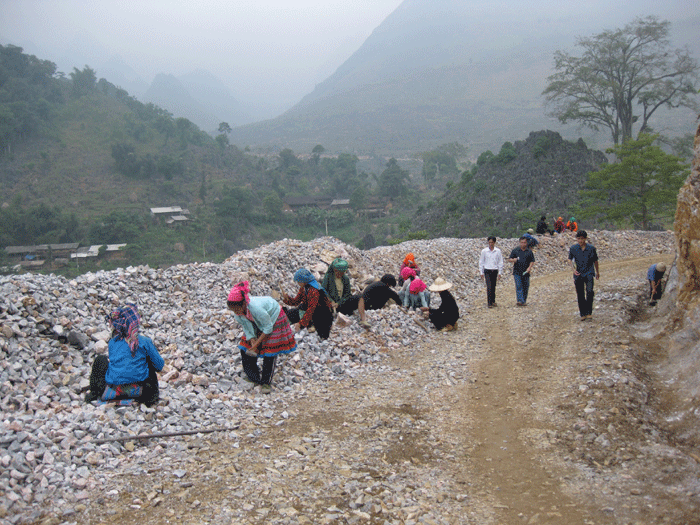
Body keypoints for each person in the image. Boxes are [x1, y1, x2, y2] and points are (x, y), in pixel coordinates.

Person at [85, 304, 164, 406]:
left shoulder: (112, 342)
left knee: (101, 359)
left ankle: (96, 393)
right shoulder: (144, 341)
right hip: (142, 392)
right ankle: (149, 399)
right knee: (148, 360)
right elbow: (159, 366)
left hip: (112, 389)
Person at [227, 281, 296, 393]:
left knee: (270, 351)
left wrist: (256, 345)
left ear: (244, 303)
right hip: (257, 320)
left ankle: (266, 382)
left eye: (236, 309)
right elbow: (248, 328)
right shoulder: (238, 313)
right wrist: (252, 342)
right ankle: (254, 377)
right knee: (245, 348)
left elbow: (268, 328)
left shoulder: (255, 309)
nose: (235, 312)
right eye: (233, 310)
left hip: (274, 317)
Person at [282, 269, 334, 340]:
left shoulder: (314, 291)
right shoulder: (304, 288)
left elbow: (311, 309)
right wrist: (287, 298)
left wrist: (301, 323)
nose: (298, 283)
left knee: (321, 333)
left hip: (321, 314)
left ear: (304, 281)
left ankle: (311, 326)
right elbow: (296, 301)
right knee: (290, 314)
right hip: (310, 311)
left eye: (299, 281)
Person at [568, 230, 600, 321]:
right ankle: (583, 313)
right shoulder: (573, 248)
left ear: (585, 239)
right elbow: (569, 259)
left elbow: (595, 261)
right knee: (580, 294)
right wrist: (573, 270)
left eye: (582, 239)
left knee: (590, 291)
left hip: (589, 272)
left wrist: (597, 272)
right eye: (578, 239)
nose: (580, 241)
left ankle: (589, 312)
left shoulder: (591, 248)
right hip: (579, 274)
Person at [507, 236, 535, 306]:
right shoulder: (515, 250)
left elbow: (532, 261)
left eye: (524, 242)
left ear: (526, 243)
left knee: (525, 286)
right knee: (518, 286)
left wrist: (529, 268)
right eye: (522, 242)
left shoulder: (529, 251)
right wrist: (513, 260)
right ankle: (520, 300)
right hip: (517, 271)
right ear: (519, 243)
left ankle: (524, 300)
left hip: (526, 272)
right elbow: (509, 259)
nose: (523, 244)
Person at [479, 236, 503, 308]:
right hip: (487, 270)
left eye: (492, 242)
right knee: (489, 286)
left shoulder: (498, 251)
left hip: (495, 270)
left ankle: (493, 300)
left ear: (494, 242)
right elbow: (481, 262)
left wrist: (500, 272)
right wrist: (481, 272)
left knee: (493, 286)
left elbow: (500, 262)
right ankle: (489, 303)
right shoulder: (484, 251)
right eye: (489, 242)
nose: (490, 244)